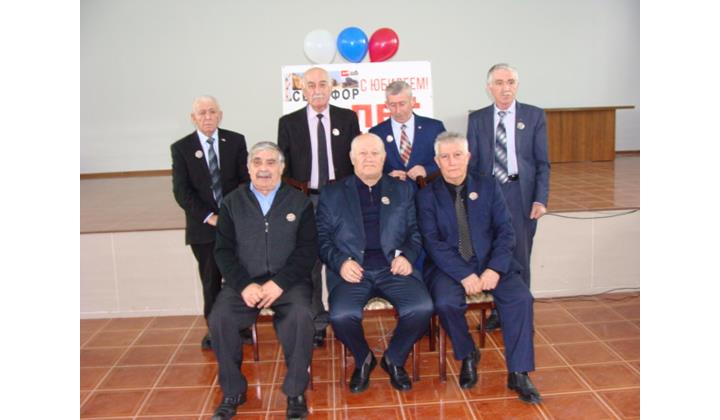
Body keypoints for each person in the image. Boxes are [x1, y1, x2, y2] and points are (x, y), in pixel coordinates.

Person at [416, 132, 542, 403]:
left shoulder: (488, 186)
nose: (452, 162)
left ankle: (519, 372)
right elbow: (432, 242)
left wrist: (494, 269)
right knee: (446, 302)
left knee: (521, 298)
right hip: (448, 267)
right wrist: (464, 274)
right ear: (437, 161)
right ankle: (467, 353)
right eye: (445, 157)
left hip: (491, 263)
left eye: (457, 155)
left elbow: (506, 231)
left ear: (468, 157)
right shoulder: (426, 196)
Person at [316, 133, 434, 393]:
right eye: (363, 153)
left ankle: (394, 358)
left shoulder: (403, 190)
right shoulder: (332, 193)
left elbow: (416, 233)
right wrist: (341, 263)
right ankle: (363, 358)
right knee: (341, 316)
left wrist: (407, 256)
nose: (369, 158)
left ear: (384, 157)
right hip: (352, 271)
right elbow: (322, 239)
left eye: (374, 153)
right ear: (352, 158)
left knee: (422, 308)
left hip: (393, 269)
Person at [208, 142, 316, 420]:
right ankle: (233, 391)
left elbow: (307, 251)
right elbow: (222, 251)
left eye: (270, 162)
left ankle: (295, 392)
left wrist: (279, 283)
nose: (264, 168)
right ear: (248, 168)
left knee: (301, 316)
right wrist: (244, 285)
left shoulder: (300, 202)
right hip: (244, 283)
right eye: (257, 162)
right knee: (220, 319)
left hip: (288, 283)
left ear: (282, 167)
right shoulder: (232, 202)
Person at [278, 66, 362, 347]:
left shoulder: (347, 118)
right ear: (303, 90)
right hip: (306, 201)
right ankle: (317, 321)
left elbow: (356, 161)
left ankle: (343, 315)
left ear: (331, 87)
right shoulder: (288, 123)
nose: (317, 90)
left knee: (341, 255)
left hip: (341, 200)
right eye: (311, 85)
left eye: (322, 84)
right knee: (311, 261)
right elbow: (283, 168)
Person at [466, 63, 550, 331]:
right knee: (491, 253)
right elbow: (472, 165)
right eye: (500, 83)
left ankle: (520, 315)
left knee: (520, 256)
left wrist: (540, 199)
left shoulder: (534, 116)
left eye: (511, 82)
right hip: (488, 195)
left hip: (520, 195)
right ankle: (498, 311)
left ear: (517, 85)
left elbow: (542, 163)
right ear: (489, 88)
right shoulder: (477, 119)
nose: (506, 88)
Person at [171, 95, 249, 349]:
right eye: (202, 113)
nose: (207, 117)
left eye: (212, 111)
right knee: (211, 281)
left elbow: (245, 181)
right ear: (193, 118)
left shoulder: (235, 141)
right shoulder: (181, 148)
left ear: (220, 115)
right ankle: (216, 331)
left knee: (239, 277)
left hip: (235, 225)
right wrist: (210, 217)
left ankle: (242, 326)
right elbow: (182, 192)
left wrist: (231, 214)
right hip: (203, 229)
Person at [369, 80, 446, 183]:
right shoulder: (376, 133)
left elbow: (448, 159)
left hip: (429, 190)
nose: (398, 110)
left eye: (402, 104)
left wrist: (426, 170)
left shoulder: (434, 128)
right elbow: (370, 168)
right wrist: (386, 177)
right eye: (392, 105)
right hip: (393, 191)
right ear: (386, 104)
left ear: (413, 101)